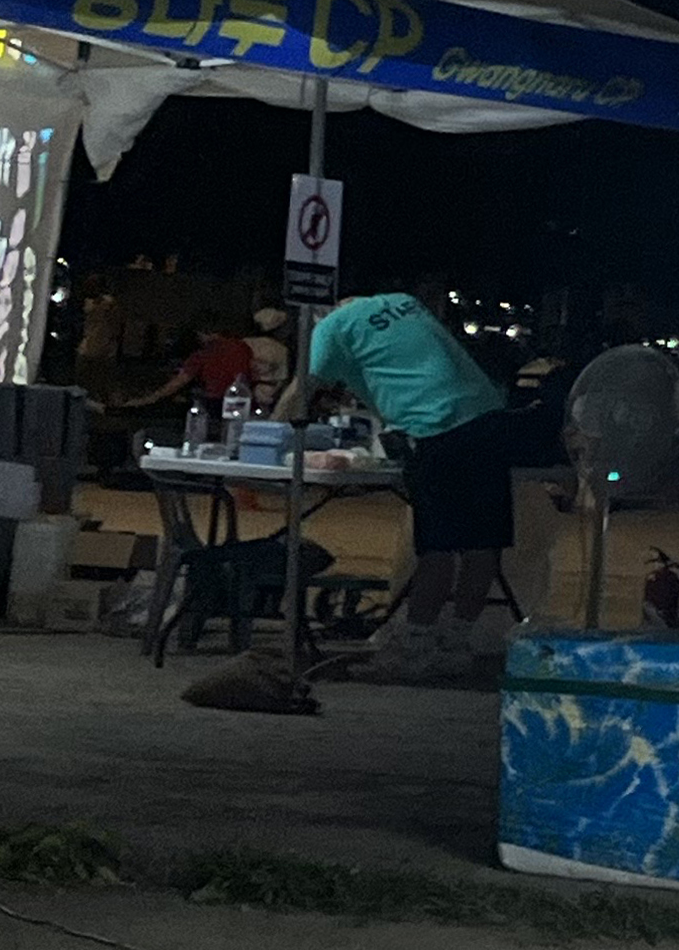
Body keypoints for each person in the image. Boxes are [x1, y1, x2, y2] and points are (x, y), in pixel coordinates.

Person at [277, 288, 521, 683]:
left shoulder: (331, 328)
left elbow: (301, 388)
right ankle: (457, 644)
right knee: (482, 544)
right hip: (487, 416)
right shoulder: (402, 301)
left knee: (437, 548)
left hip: (435, 426)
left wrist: (270, 433)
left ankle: (416, 648)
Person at [123, 318, 255, 422]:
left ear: (201, 333)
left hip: (216, 405)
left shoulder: (204, 353)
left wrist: (148, 399)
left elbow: (176, 384)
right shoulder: (243, 347)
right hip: (243, 402)